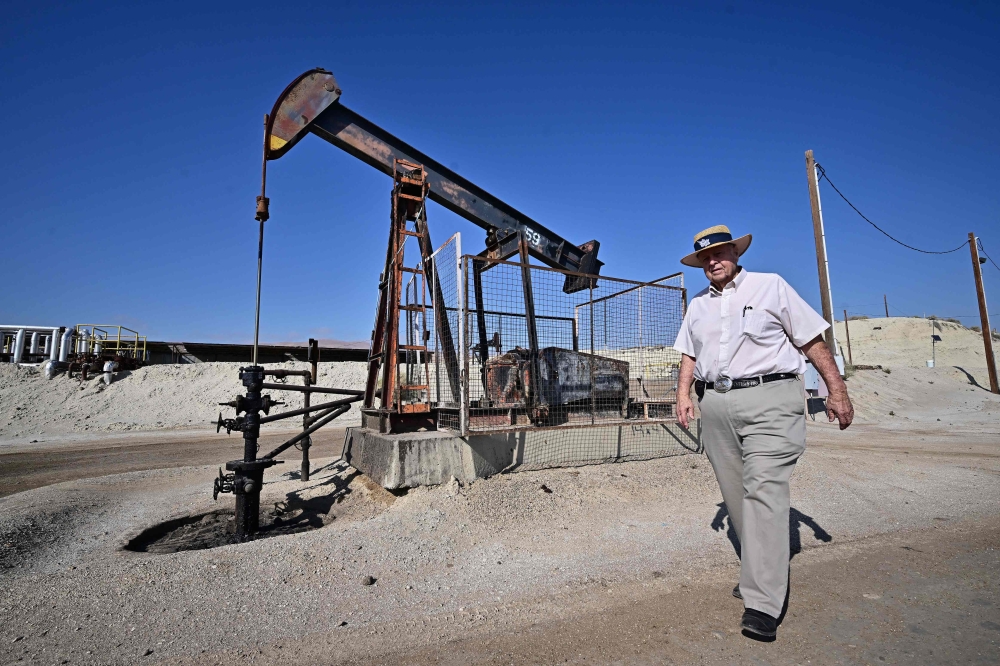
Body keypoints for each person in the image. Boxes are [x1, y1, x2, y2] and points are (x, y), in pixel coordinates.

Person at [673, 225, 854, 639]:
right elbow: (689, 352)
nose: (713, 261)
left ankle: (762, 601)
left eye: (719, 253)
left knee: (765, 490)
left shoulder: (771, 286)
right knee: (737, 497)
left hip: (770, 400)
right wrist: (684, 393)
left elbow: (811, 340)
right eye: (705, 257)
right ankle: (760, 569)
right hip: (715, 405)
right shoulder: (698, 305)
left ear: (735, 253)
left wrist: (836, 390)